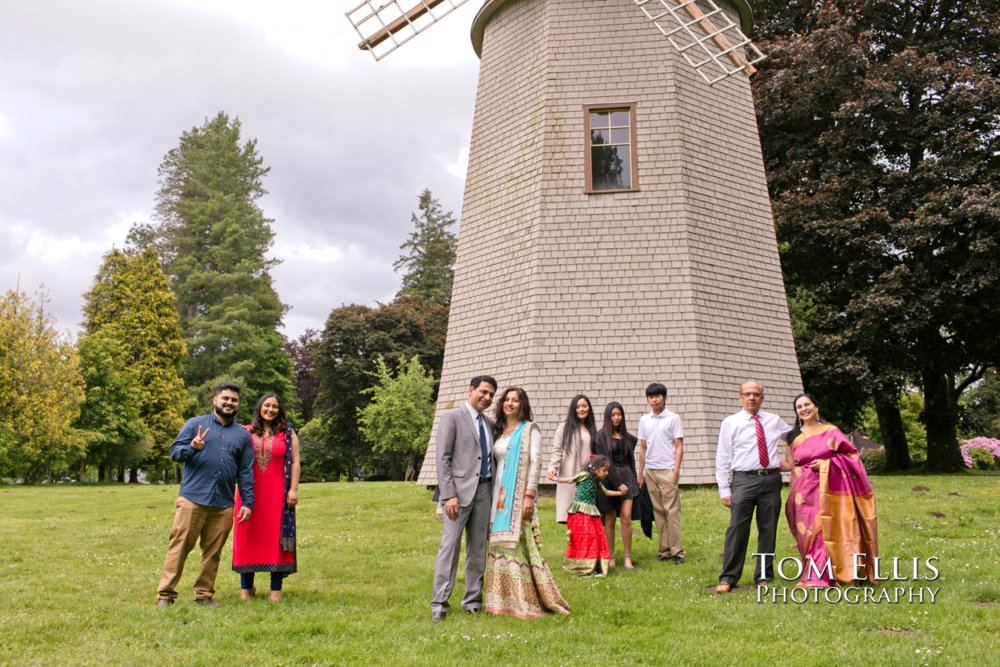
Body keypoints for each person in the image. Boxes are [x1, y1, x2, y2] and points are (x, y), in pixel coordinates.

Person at [156, 383, 254, 607]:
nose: (229, 403)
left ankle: (204, 595)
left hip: (223, 503)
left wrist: (247, 501)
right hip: (193, 499)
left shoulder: (242, 435)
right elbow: (175, 453)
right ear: (215, 400)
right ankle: (165, 594)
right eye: (225, 399)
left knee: (213, 552)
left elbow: (246, 471)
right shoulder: (195, 424)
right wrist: (192, 447)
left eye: (234, 400)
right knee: (179, 548)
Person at [485, 387, 570, 617]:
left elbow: (536, 462)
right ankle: (500, 601)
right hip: (498, 494)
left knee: (520, 545)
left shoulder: (529, 430)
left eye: (515, 400)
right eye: (507, 400)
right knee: (497, 544)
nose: (510, 404)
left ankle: (526, 600)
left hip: (518, 494)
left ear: (522, 405)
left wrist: (529, 496)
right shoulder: (498, 431)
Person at [781, 393, 879, 586]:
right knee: (807, 533)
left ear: (816, 407)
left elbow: (851, 455)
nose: (803, 409)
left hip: (831, 486)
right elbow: (790, 463)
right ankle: (814, 571)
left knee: (825, 529)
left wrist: (827, 464)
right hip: (803, 492)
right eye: (799, 407)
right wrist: (761, 463)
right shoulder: (793, 436)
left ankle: (823, 576)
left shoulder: (831, 431)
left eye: (807, 404)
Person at [430, 375, 497, 621]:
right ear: (471, 389)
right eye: (483, 392)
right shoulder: (452, 418)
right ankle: (439, 603)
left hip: (484, 492)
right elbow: (443, 458)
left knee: (478, 550)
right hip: (457, 495)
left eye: (491, 395)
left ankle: (472, 601)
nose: (487, 397)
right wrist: (448, 495)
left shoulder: (489, 425)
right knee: (450, 548)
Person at [714, 380, 791, 593]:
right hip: (743, 481)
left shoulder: (774, 420)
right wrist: (724, 490)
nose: (751, 398)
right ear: (740, 397)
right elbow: (722, 457)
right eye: (747, 394)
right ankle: (728, 577)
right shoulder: (730, 423)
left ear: (762, 398)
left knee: (768, 529)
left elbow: (795, 437)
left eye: (756, 394)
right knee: (737, 529)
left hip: (771, 480)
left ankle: (763, 577)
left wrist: (791, 460)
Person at [232, 393, 300, 601]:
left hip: (278, 494)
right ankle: (246, 589)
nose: (270, 409)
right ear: (259, 408)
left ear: (280, 410)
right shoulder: (245, 432)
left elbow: (296, 462)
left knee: (275, 540)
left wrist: (293, 490)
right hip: (248, 494)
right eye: (266, 405)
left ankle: (275, 590)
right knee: (247, 537)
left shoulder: (288, 434)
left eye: (275, 406)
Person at [636, 383, 685, 563]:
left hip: (667, 469)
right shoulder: (644, 420)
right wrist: (640, 473)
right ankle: (664, 550)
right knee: (657, 510)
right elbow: (642, 447)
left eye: (657, 396)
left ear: (664, 397)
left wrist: (676, 470)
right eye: (651, 397)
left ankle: (677, 551)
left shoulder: (673, 418)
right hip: (650, 470)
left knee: (671, 511)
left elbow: (679, 445)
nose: (654, 399)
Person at [558, 454, 624, 576]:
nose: (607, 473)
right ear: (594, 469)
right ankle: (580, 565)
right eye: (604, 470)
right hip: (580, 513)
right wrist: (557, 479)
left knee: (595, 536)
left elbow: (606, 492)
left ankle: (593, 565)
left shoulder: (597, 482)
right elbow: (571, 479)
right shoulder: (584, 476)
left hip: (592, 513)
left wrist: (619, 493)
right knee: (584, 537)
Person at [592, 402, 639, 569]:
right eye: (613, 415)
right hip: (609, 479)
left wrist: (635, 479)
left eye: (619, 414)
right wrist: (617, 483)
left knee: (626, 517)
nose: (616, 417)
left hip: (627, 477)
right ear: (607, 417)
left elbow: (630, 460)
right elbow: (605, 460)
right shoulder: (600, 437)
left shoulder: (628, 438)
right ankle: (610, 557)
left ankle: (627, 558)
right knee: (610, 519)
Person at [546, 394, 596, 523]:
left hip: (587, 476)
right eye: (578, 407)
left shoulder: (592, 429)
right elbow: (557, 451)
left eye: (584, 406)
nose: (581, 409)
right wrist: (553, 468)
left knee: (585, 516)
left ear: (589, 408)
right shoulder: (564, 428)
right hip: (570, 472)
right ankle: (573, 543)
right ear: (573, 409)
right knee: (570, 515)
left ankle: (583, 543)